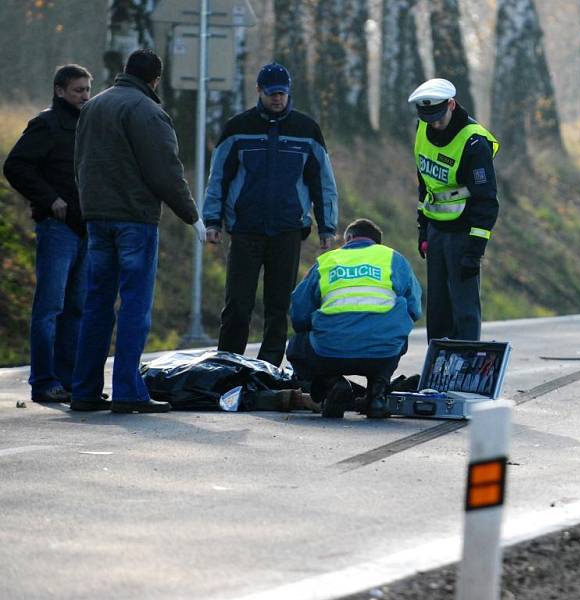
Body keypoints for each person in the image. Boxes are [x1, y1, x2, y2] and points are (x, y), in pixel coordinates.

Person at [70, 49, 205, 413]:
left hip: (96, 217)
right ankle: (128, 390)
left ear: (125, 71)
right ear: (155, 80)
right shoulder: (148, 112)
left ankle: (83, 389)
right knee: (134, 306)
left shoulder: (93, 107)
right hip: (134, 219)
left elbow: (79, 162)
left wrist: (88, 205)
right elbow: (165, 172)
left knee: (97, 303)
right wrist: (192, 216)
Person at [204, 62, 338, 368]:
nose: (277, 99)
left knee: (279, 306)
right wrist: (212, 220)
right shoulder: (237, 127)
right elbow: (218, 177)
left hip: (288, 229)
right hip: (245, 228)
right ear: (258, 92)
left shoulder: (307, 130)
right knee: (238, 304)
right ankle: (228, 364)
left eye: (282, 93)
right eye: (271, 93)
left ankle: (268, 368)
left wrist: (327, 227)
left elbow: (323, 183)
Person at [3, 64, 93, 404]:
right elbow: (15, 166)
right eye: (78, 90)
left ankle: (67, 380)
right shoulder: (46, 124)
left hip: (85, 229)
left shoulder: (88, 124)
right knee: (49, 308)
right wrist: (49, 199)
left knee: (76, 308)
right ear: (59, 91)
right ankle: (43, 381)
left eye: (87, 89)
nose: (85, 96)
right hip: (57, 229)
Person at [286, 218, 422, 419]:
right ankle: (377, 392)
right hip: (382, 353)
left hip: (329, 352)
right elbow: (414, 310)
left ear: (349, 238)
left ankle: (333, 384)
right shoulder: (393, 258)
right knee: (398, 335)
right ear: (378, 244)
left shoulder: (326, 262)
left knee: (297, 346)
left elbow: (298, 314)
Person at [407, 78, 499, 341]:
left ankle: (467, 368)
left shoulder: (473, 142)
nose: (434, 124)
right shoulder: (422, 129)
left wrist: (475, 249)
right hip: (436, 231)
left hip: (463, 233)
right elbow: (425, 185)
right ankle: (437, 368)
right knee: (437, 308)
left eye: (438, 116)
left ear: (451, 104)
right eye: (428, 118)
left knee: (464, 308)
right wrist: (423, 229)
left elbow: (487, 201)